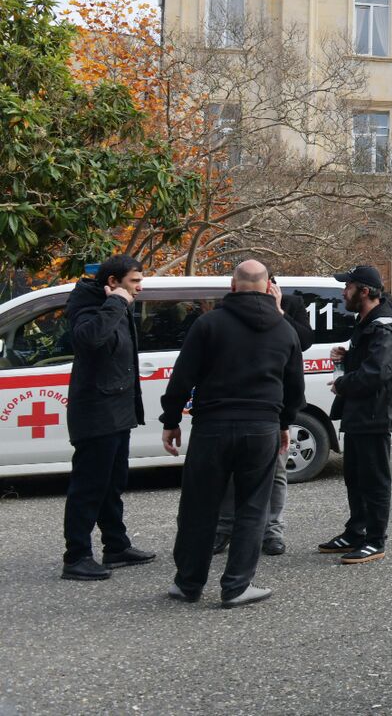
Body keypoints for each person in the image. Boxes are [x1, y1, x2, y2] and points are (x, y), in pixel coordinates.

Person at [160, 260, 304, 607]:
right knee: (254, 506)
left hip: (213, 426)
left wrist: (170, 419)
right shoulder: (286, 331)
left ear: (233, 284)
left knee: (199, 505)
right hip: (262, 427)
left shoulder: (208, 324)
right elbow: (294, 388)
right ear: (270, 286)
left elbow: (183, 376)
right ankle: (237, 586)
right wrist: (285, 423)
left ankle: (188, 584)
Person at [60, 254, 156, 581]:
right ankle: (76, 556)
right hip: (96, 413)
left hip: (118, 410)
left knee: (112, 484)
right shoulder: (87, 305)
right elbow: (89, 339)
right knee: (89, 487)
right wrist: (117, 303)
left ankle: (115, 545)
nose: (139, 288)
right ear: (113, 283)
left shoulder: (117, 303)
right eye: (134, 282)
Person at [212, 288, 315, 557]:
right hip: (240, 401)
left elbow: (305, 340)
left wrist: (279, 310)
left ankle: (273, 531)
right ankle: (224, 529)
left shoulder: (291, 304)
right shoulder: (232, 306)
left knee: (277, 472)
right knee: (233, 472)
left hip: (276, 404)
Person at [319, 265, 392, 565]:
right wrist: (349, 357)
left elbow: (379, 371)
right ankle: (356, 531)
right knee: (354, 476)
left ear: (365, 291)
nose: (344, 292)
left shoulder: (382, 325)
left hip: (375, 415)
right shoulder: (367, 321)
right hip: (360, 413)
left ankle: (375, 539)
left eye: (349, 286)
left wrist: (343, 383)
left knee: (374, 479)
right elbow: (370, 361)